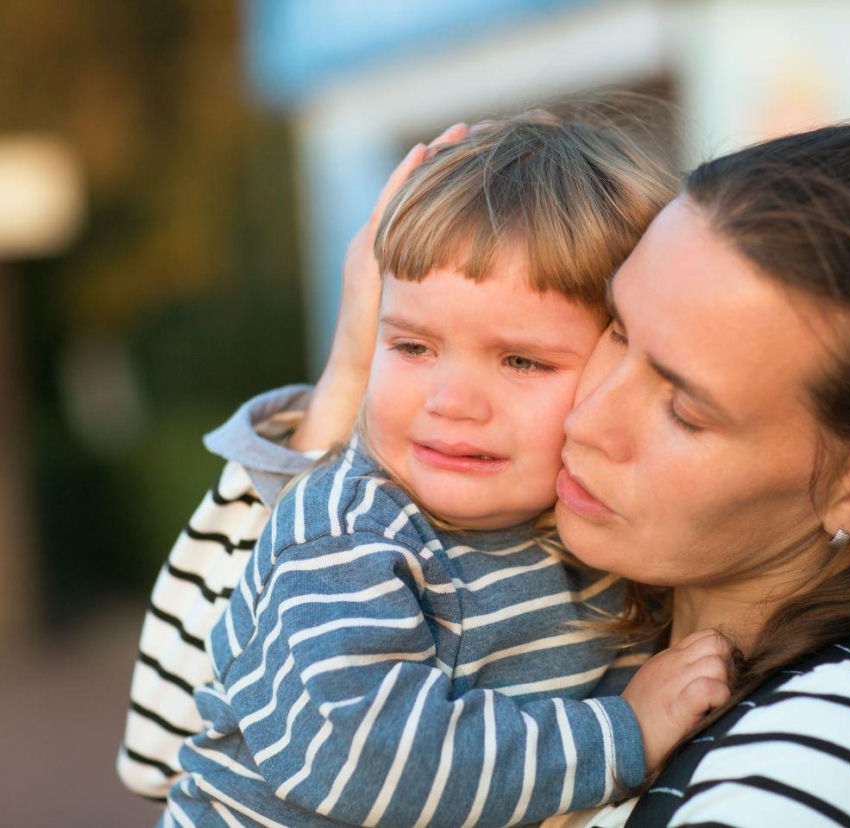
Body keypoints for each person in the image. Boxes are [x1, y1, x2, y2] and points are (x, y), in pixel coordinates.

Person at [127, 119, 850, 827]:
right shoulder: (563, 551)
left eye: (683, 408)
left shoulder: (833, 757)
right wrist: (356, 369)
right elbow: (165, 740)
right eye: (617, 332)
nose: (591, 418)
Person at [128, 110, 736, 828]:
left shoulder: (604, 534)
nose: (451, 402)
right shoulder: (348, 532)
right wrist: (624, 733)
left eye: (520, 361)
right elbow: (365, 759)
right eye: (413, 347)